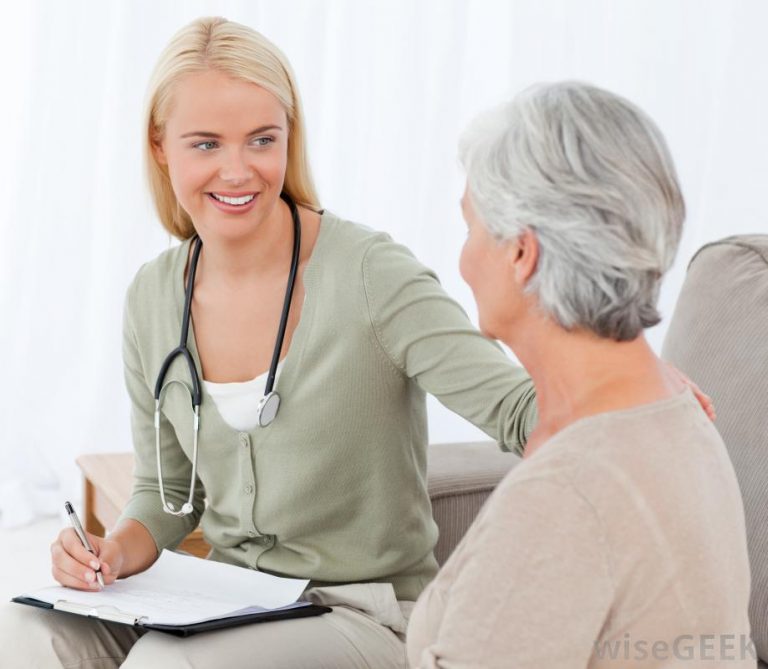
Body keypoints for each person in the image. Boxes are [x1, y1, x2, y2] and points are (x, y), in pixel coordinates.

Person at [0, 18, 712, 668]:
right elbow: (166, 496)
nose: (238, 170)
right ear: (160, 147)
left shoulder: (372, 274)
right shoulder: (152, 298)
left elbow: (519, 408)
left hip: (362, 612)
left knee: (169, 665)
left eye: (262, 139)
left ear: (290, 137)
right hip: (224, 600)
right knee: (31, 633)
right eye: (206, 144)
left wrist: (632, 388)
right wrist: (109, 553)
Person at [406, 82, 753, 668]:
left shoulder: (566, 493)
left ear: (522, 254)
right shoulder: (678, 413)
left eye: (470, 229)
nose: (463, 260)